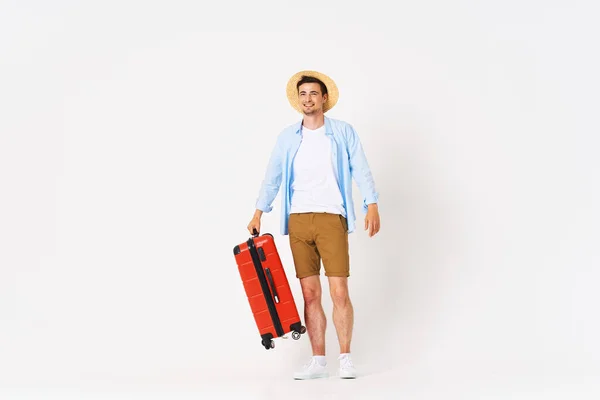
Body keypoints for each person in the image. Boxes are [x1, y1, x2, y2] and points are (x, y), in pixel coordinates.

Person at [247, 70, 380, 380]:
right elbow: (273, 177)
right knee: (309, 294)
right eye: (303, 94)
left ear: (324, 99)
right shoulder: (287, 138)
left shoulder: (343, 132)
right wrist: (258, 212)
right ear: (299, 100)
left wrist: (370, 203)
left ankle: (345, 358)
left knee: (338, 292)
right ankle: (318, 361)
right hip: (298, 221)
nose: (308, 99)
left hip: (331, 217)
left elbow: (361, 168)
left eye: (313, 94)